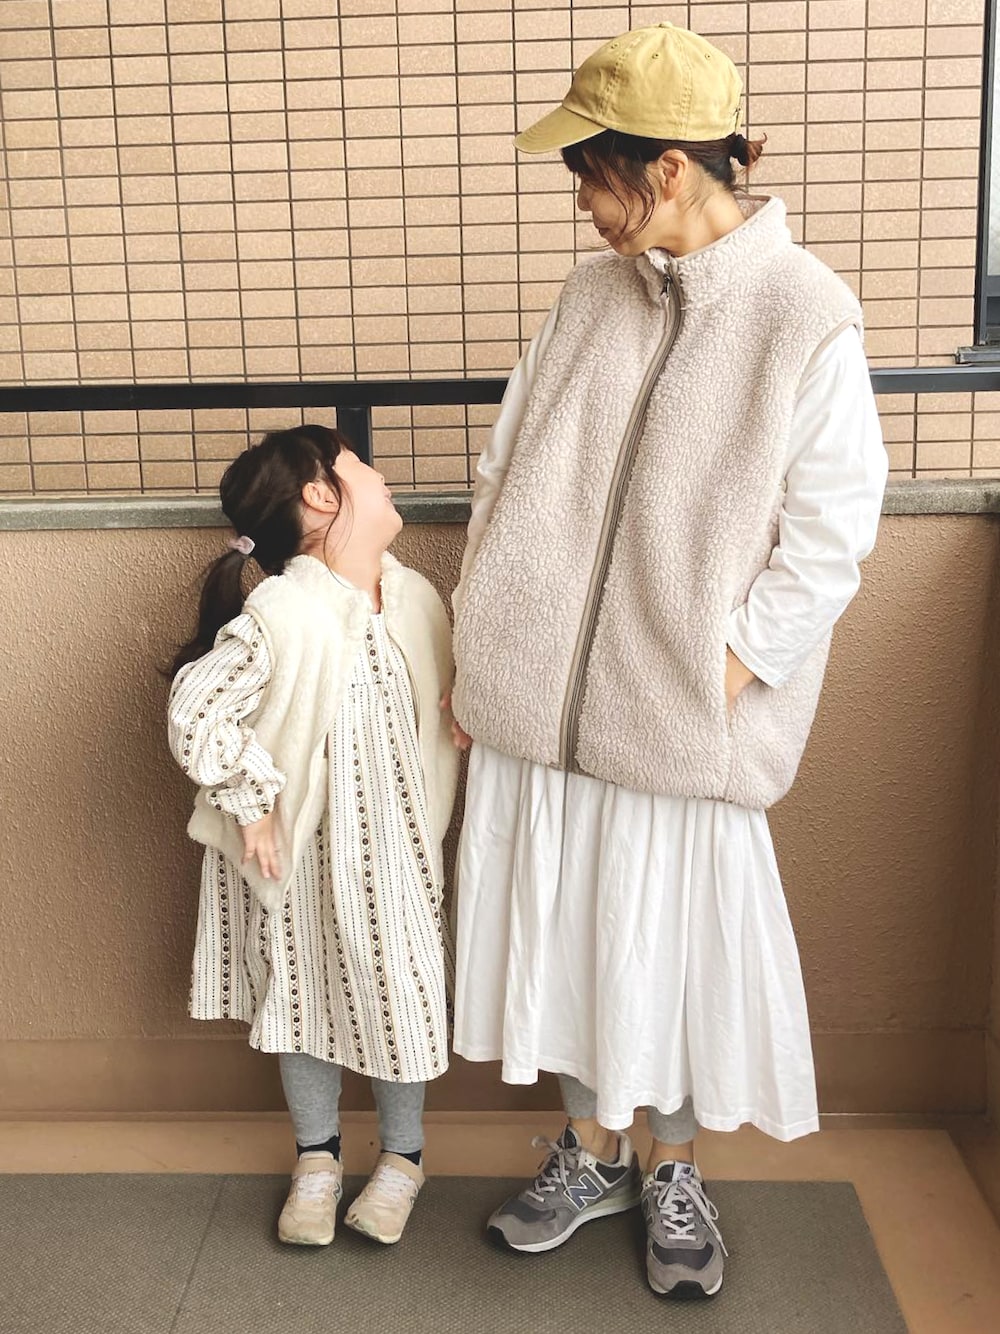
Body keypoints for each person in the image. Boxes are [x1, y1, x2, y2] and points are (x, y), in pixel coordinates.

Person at [449, 23, 888, 1299]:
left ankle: (673, 1165)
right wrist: (485, 639)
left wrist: (724, 668)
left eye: (593, 176)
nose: (582, 206)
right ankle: (590, 1152)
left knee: (669, 947)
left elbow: (831, 532)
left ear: (671, 168)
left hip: (680, 717)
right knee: (574, 935)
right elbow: (503, 471)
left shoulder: (803, 312)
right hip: (537, 707)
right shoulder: (589, 298)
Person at [167, 424, 458, 1248]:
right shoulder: (284, 612)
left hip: (394, 854)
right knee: (301, 995)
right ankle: (318, 1159)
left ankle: (402, 1160)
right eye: (362, 465)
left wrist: (464, 709)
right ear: (322, 496)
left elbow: (440, 683)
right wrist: (252, 802)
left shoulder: (411, 596)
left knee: (399, 993)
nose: (382, 476)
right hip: (305, 859)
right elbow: (196, 709)